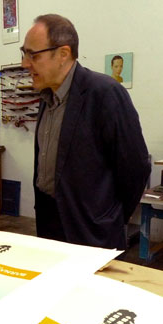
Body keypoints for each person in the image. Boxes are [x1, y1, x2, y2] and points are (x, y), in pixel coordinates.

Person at [20, 14, 150, 250]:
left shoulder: (105, 93)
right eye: (24, 53)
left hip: (92, 232)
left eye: (33, 55)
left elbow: (136, 167)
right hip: (50, 224)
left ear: (63, 54)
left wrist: (112, 218)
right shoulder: (46, 98)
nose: (25, 64)